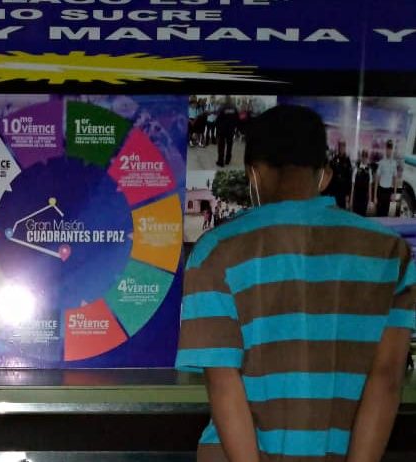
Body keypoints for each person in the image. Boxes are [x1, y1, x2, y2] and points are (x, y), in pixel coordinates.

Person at [177, 105, 415, 462]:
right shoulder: (390, 252)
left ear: (253, 173)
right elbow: (387, 378)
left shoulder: (215, 251)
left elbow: (223, 384)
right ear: (324, 175)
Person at [326, 140, 353, 209]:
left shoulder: (347, 160)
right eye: (340, 146)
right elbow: (330, 176)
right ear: (338, 147)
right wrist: (330, 193)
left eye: (343, 146)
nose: (341, 148)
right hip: (334, 191)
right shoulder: (334, 160)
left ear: (345, 148)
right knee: (334, 212)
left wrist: (348, 194)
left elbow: (349, 179)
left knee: (342, 211)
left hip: (343, 192)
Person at [374, 140, 398, 217]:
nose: (389, 151)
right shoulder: (381, 162)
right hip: (381, 191)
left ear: (392, 150)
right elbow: (377, 180)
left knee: (386, 213)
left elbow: (395, 179)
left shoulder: (394, 163)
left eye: (390, 149)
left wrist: (394, 193)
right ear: (386, 149)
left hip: (388, 191)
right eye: (388, 148)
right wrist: (375, 196)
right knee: (378, 213)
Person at [215, 96, 238, 167]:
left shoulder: (222, 107)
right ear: (230, 100)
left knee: (221, 146)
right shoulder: (234, 108)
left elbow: (218, 119)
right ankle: (228, 160)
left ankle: (220, 161)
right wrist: (234, 127)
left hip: (222, 130)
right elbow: (237, 118)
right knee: (229, 145)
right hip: (231, 130)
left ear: (225, 100)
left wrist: (218, 128)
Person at [350, 150, 373, 216]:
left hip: (364, 198)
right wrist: (351, 199)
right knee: (355, 216)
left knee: (363, 216)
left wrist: (370, 201)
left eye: (366, 157)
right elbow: (353, 186)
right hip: (356, 198)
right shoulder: (356, 169)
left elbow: (370, 186)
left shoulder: (369, 170)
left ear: (367, 158)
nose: (364, 158)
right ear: (361, 157)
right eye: (363, 156)